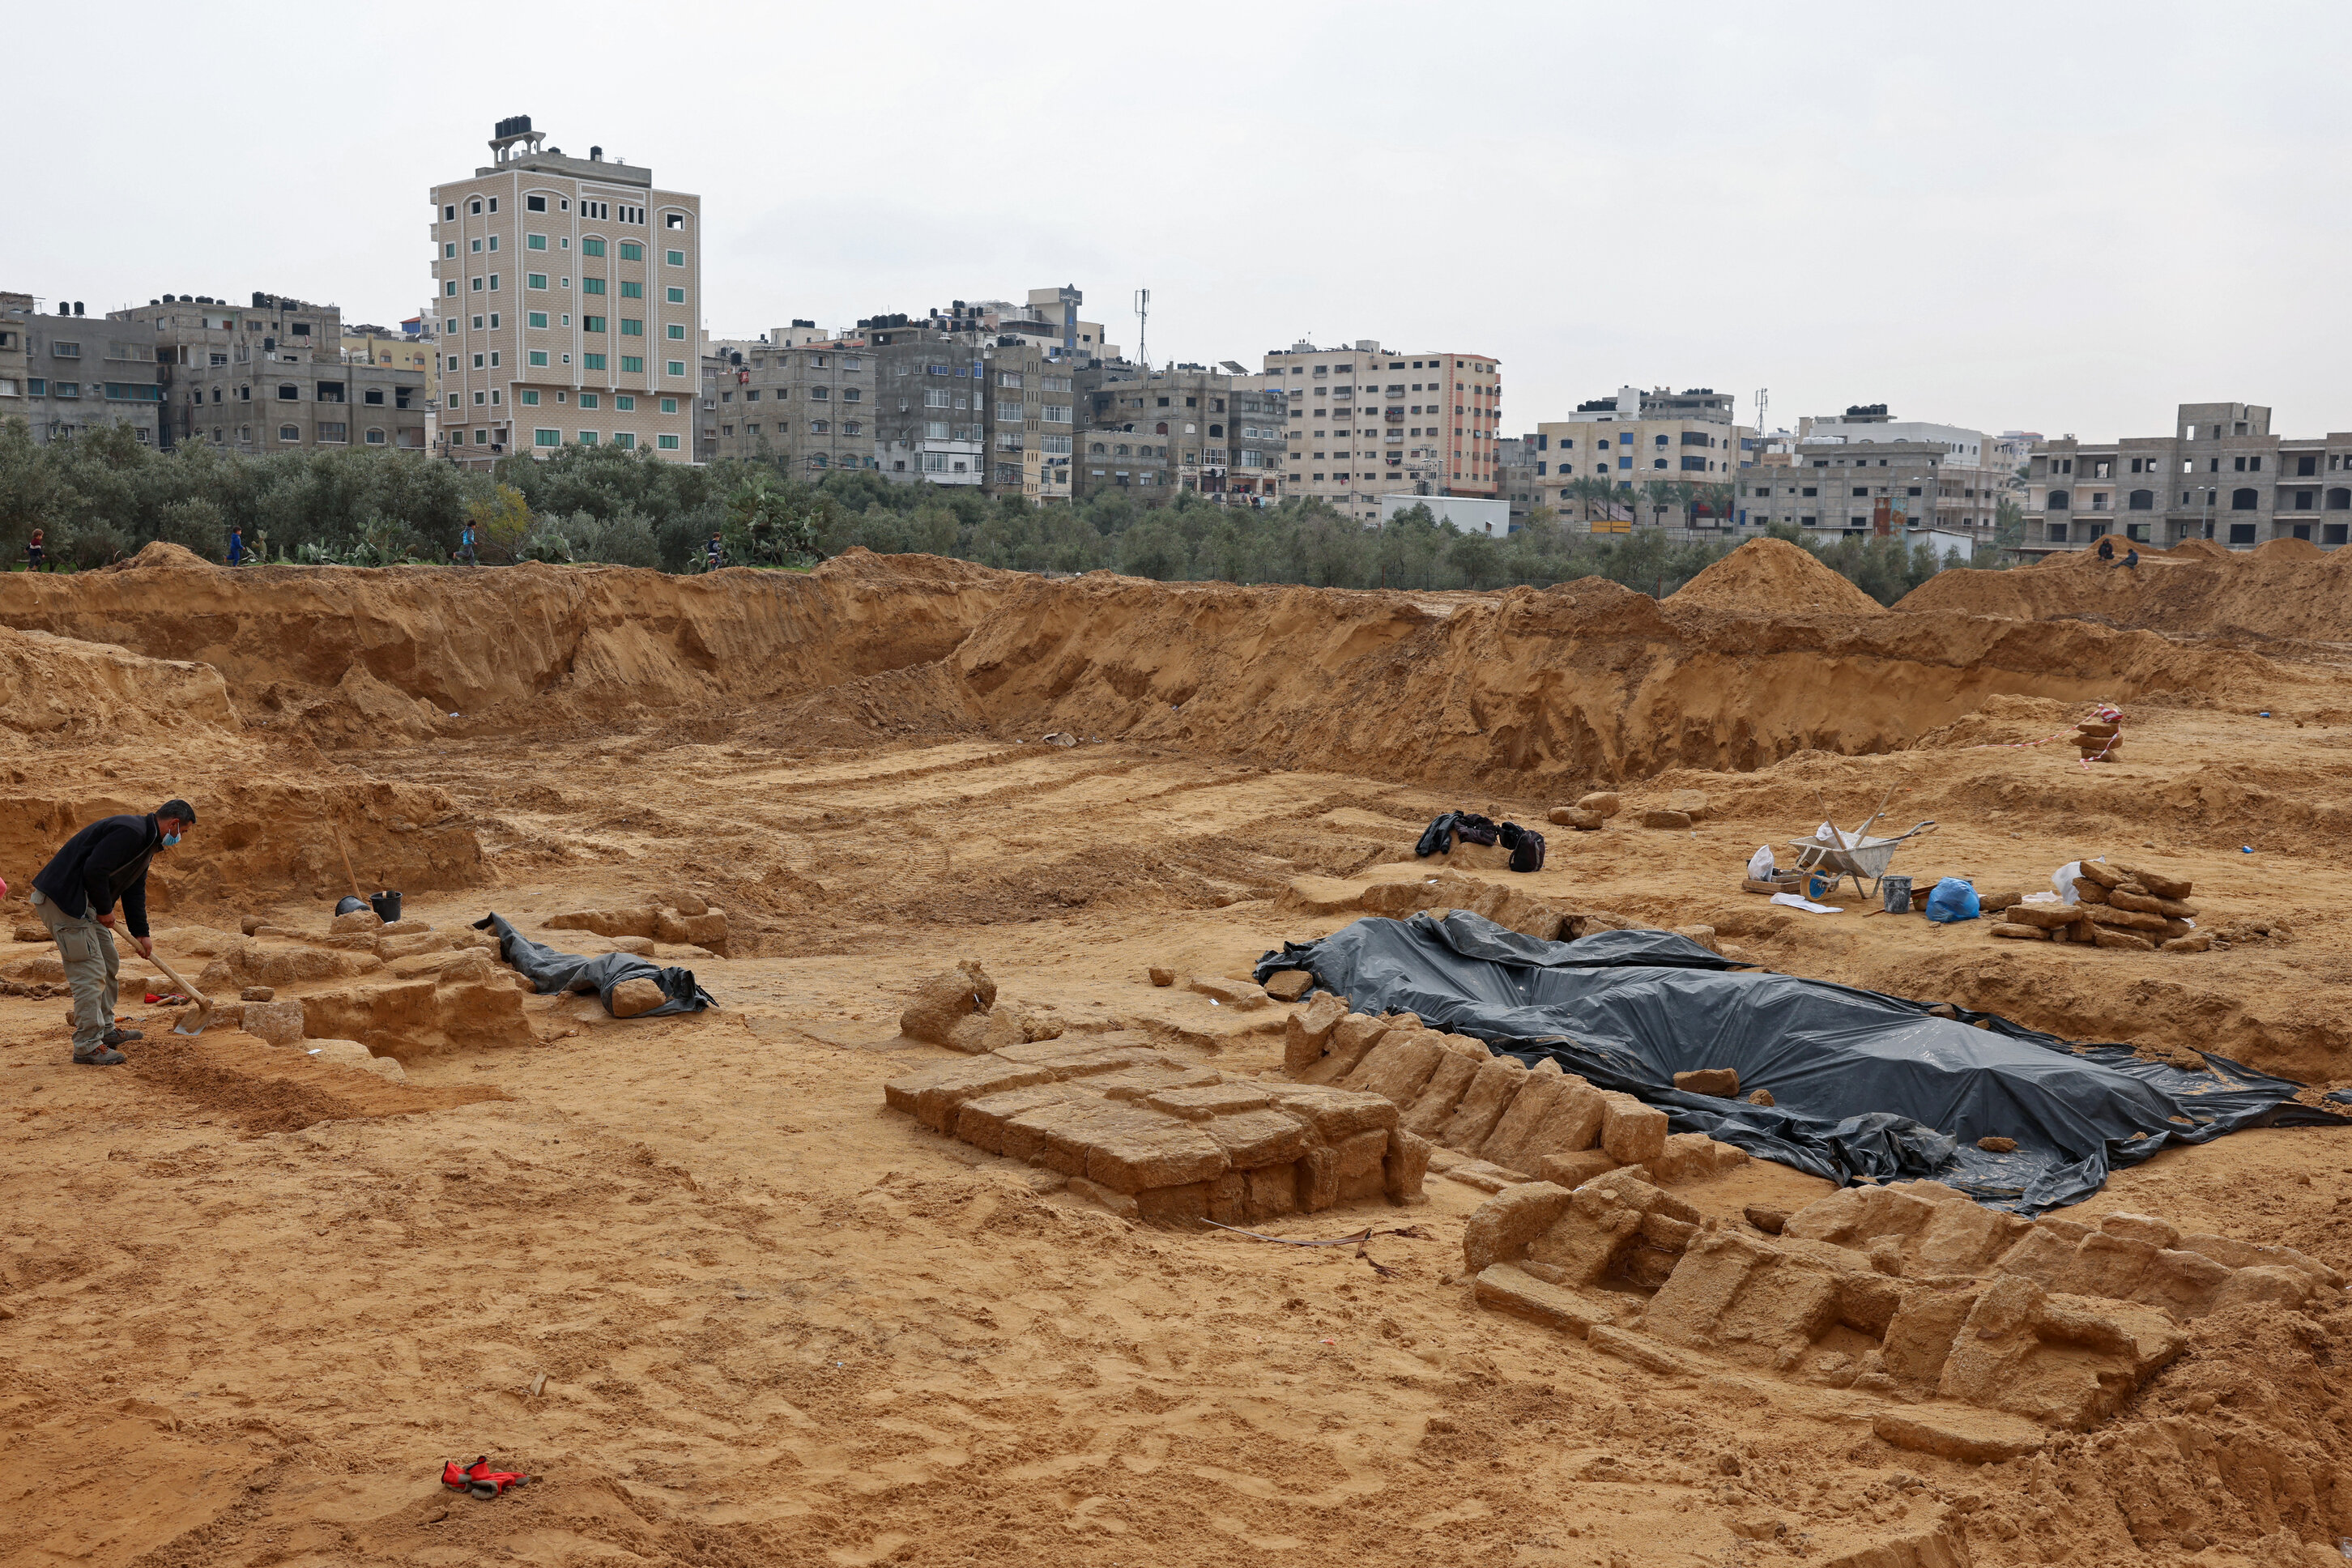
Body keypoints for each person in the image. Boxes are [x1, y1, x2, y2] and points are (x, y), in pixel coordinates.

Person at [31, 799, 195, 1065]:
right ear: (174, 824)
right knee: (90, 972)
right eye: (183, 832)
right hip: (65, 902)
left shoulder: (146, 844)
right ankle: (87, 1045)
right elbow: (94, 870)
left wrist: (141, 933)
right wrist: (106, 910)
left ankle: (106, 1030)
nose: (181, 837)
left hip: (87, 904)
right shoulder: (131, 832)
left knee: (108, 962)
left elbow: (134, 889)